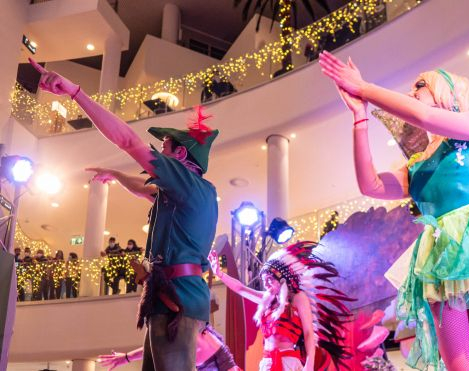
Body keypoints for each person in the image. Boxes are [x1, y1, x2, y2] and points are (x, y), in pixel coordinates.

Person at [319, 50, 469, 370]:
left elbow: (425, 118)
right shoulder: (417, 165)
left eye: (420, 85)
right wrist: (359, 117)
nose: (411, 93)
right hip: (442, 262)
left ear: (450, 93)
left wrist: (364, 87)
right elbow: (371, 186)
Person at [30, 58, 220, 371]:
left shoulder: (186, 184)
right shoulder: (187, 193)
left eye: (166, 148)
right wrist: (116, 175)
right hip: (175, 297)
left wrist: (76, 93)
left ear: (181, 155)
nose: (160, 154)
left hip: (177, 298)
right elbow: (143, 189)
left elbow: (128, 140)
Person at [209, 242, 353, 371]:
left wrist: (309, 363)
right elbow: (241, 289)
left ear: (282, 279)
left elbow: (309, 332)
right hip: (267, 363)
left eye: (270, 279)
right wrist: (220, 274)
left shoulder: (297, 298)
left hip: (288, 362)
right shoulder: (268, 300)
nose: (266, 284)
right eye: (264, 281)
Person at [98, 324, 241, 371]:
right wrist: (127, 357)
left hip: (216, 359)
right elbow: (158, 347)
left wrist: (127, 357)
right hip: (210, 359)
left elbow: (159, 347)